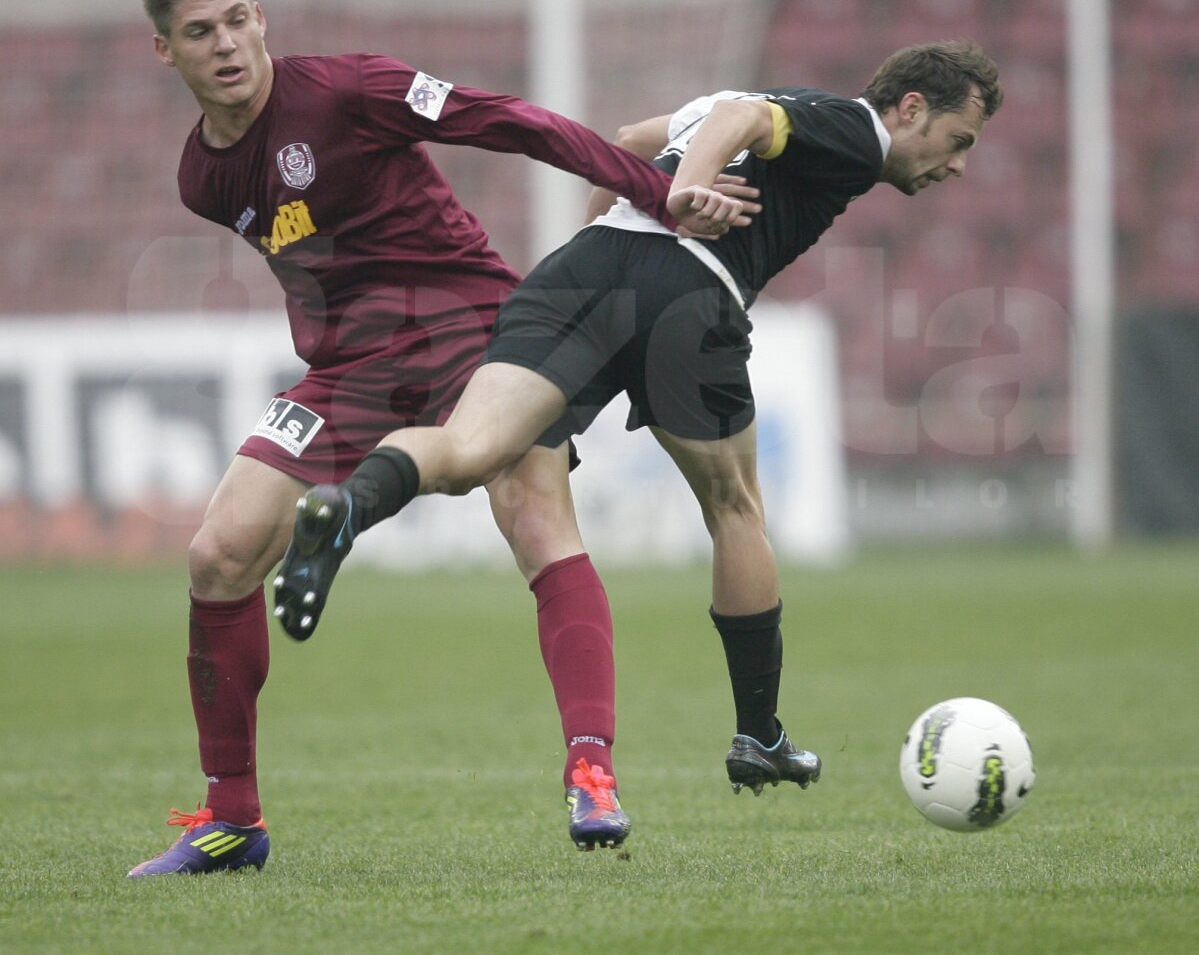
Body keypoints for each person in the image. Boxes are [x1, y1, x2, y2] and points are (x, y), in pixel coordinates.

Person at [127, 0, 750, 877]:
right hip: (346, 370)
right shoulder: (202, 178)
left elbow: (512, 123)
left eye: (236, 21)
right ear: (165, 52)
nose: (226, 45)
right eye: (199, 32)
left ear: (262, 21)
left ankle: (592, 774)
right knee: (216, 555)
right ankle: (232, 817)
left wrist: (658, 192)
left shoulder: (347, 90)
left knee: (533, 513)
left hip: (479, 329)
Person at [272, 40, 1003, 827]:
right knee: (735, 508)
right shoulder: (857, 129)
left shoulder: (755, 100)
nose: (956, 166)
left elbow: (626, 142)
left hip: (580, 272)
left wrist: (618, 226)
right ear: (912, 109)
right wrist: (683, 196)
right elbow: (742, 118)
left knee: (468, 449)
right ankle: (759, 734)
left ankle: (347, 507)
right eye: (959, 141)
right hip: (688, 290)